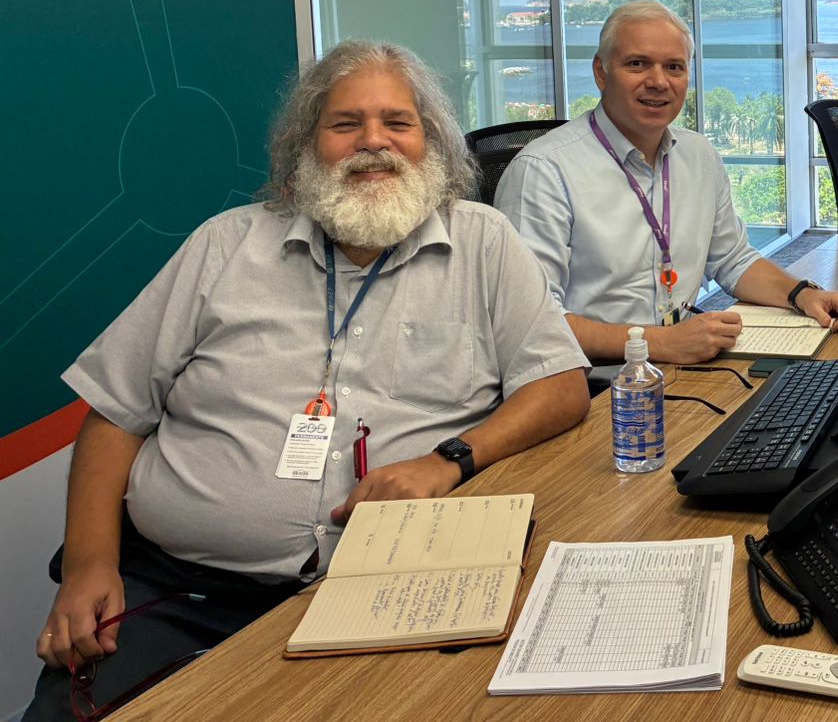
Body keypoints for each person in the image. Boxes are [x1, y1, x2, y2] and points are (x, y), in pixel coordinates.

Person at [26, 41, 590, 722]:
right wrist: (89, 564)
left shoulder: (484, 243)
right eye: (346, 123)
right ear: (305, 146)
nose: (373, 141)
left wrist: (449, 460)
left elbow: (559, 386)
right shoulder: (224, 245)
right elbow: (116, 414)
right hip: (183, 594)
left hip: (394, 585)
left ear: (433, 143)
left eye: (398, 122)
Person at [495, 0, 838, 364]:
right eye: (637, 64)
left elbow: (732, 259)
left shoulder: (698, 154)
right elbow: (532, 323)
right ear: (601, 72)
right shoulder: (543, 171)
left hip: (684, 363)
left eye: (674, 67)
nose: (658, 82)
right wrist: (660, 343)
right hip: (593, 378)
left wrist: (801, 295)